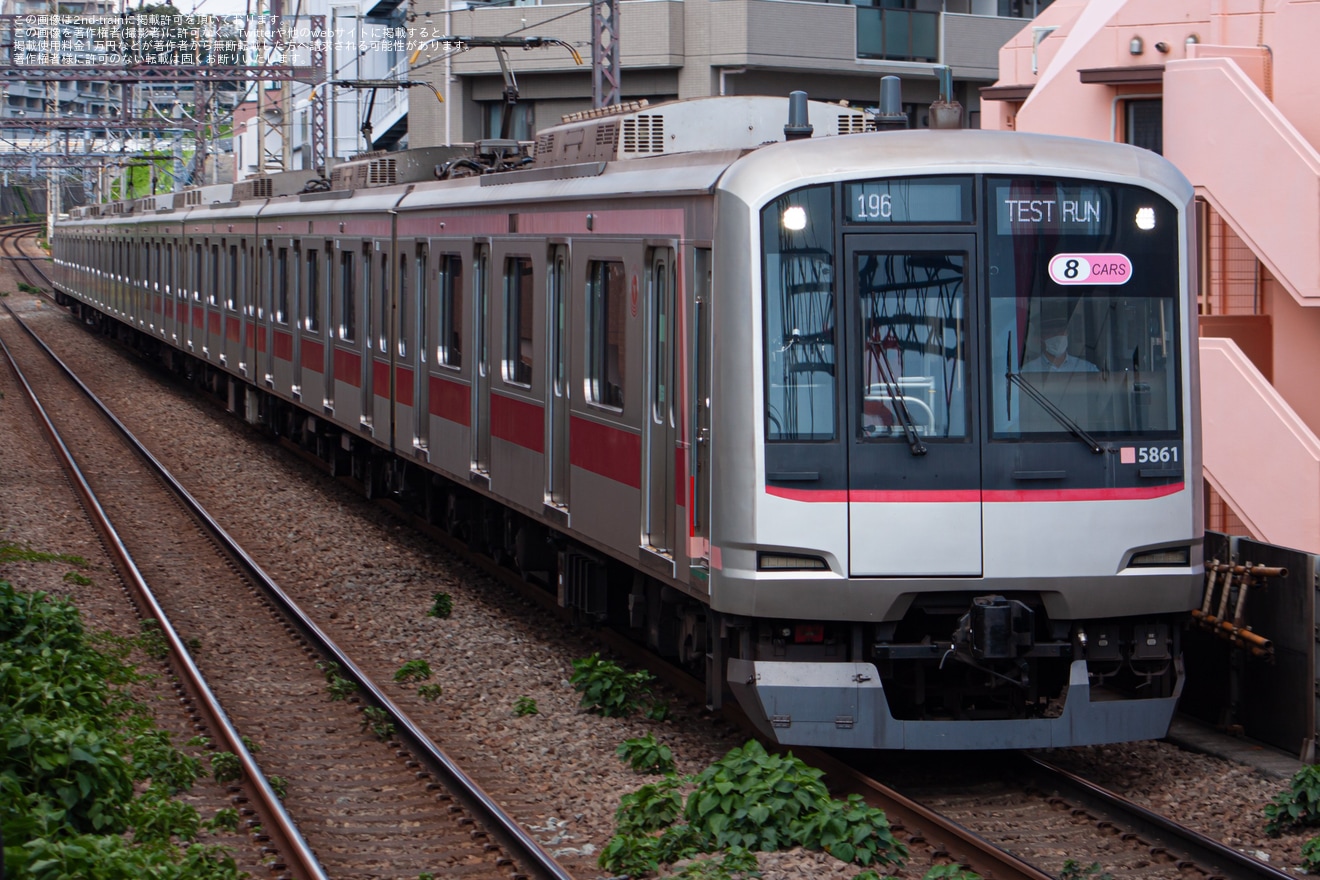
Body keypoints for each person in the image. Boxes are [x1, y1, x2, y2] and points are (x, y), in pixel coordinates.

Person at [1022, 316, 1098, 373]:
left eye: (1060, 332)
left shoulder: (1087, 368)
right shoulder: (1028, 370)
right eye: (1050, 333)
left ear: (1067, 334)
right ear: (1041, 338)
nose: (1056, 336)